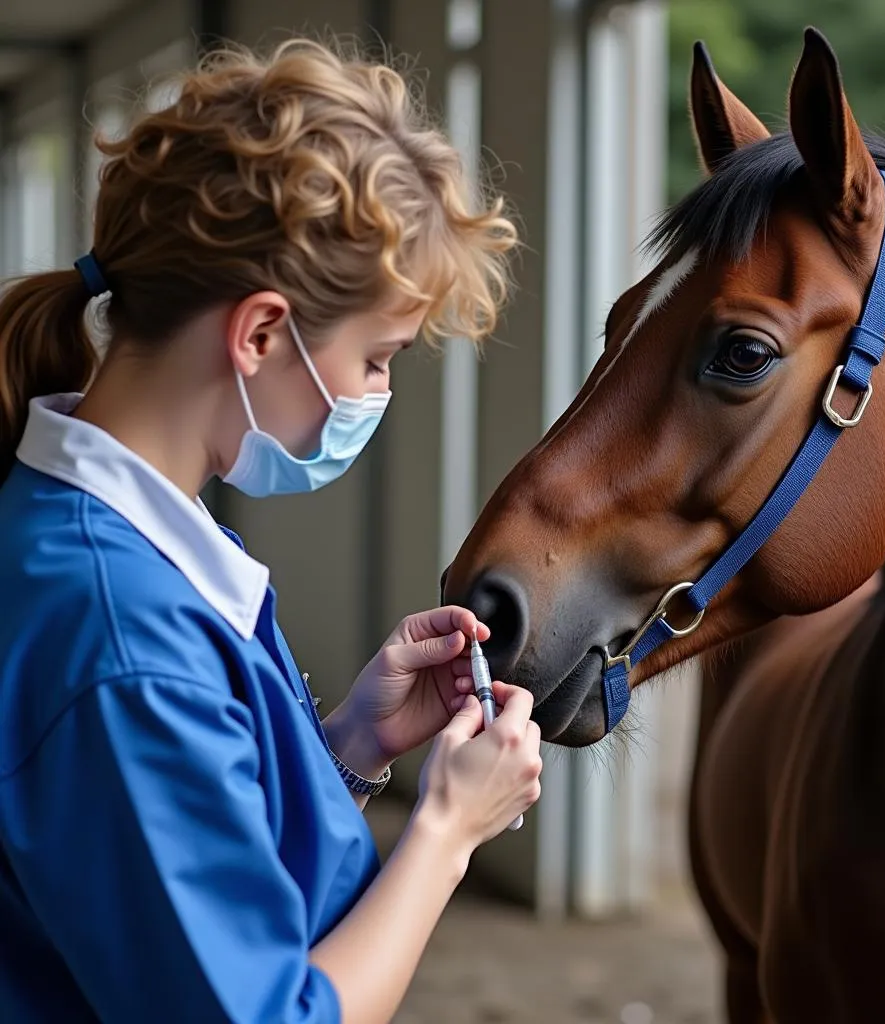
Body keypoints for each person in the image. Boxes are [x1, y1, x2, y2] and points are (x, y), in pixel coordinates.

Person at [0, 37, 542, 1024]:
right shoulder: (123, 642)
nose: (377, 393)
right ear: (257, 334)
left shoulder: (101, 544)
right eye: (378, 358)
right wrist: (448, 831)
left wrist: (343, 749)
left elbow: (180, 865)